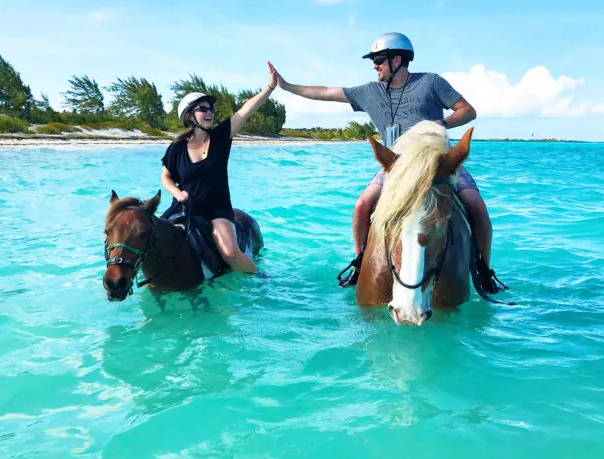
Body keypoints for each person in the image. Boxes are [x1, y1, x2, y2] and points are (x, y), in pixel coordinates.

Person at [268, 32, 504, 293]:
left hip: (437, 163)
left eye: (379, 59)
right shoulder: (370, 92)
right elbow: (327, 92)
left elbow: (468, 111)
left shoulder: (431, 82)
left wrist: (444, 123)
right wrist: (287, 86)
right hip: (395, 166)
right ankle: (359, 264)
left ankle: (484, 270)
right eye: (374, 60)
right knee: (362, 206)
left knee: (477, 207)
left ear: (399, 60)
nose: (374, 65)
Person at [160, 65, 277, 274]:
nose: (209, 112)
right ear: (189, 116)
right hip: (185, 209)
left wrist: (270, 87)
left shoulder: (221, 137)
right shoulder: (176, 148)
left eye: (210, 108)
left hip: (217, 210)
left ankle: (260, 282)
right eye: (203, 108)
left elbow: (244, 111)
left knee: (230, 252)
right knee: (153, 240)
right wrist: (178, 193)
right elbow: (166, 177)